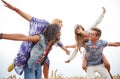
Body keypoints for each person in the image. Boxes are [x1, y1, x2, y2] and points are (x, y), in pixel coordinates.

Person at [1, 0, 70, 78]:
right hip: (30, 59)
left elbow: (60, 44)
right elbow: (27, 27)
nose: (60, 29)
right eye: (59, 27)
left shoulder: (54, 39)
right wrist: (2, 36)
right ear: (53, 26)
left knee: (47, 61)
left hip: (38, 64)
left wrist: (66, 50)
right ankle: (16, 61)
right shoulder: (42, 31)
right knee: (24, 56)